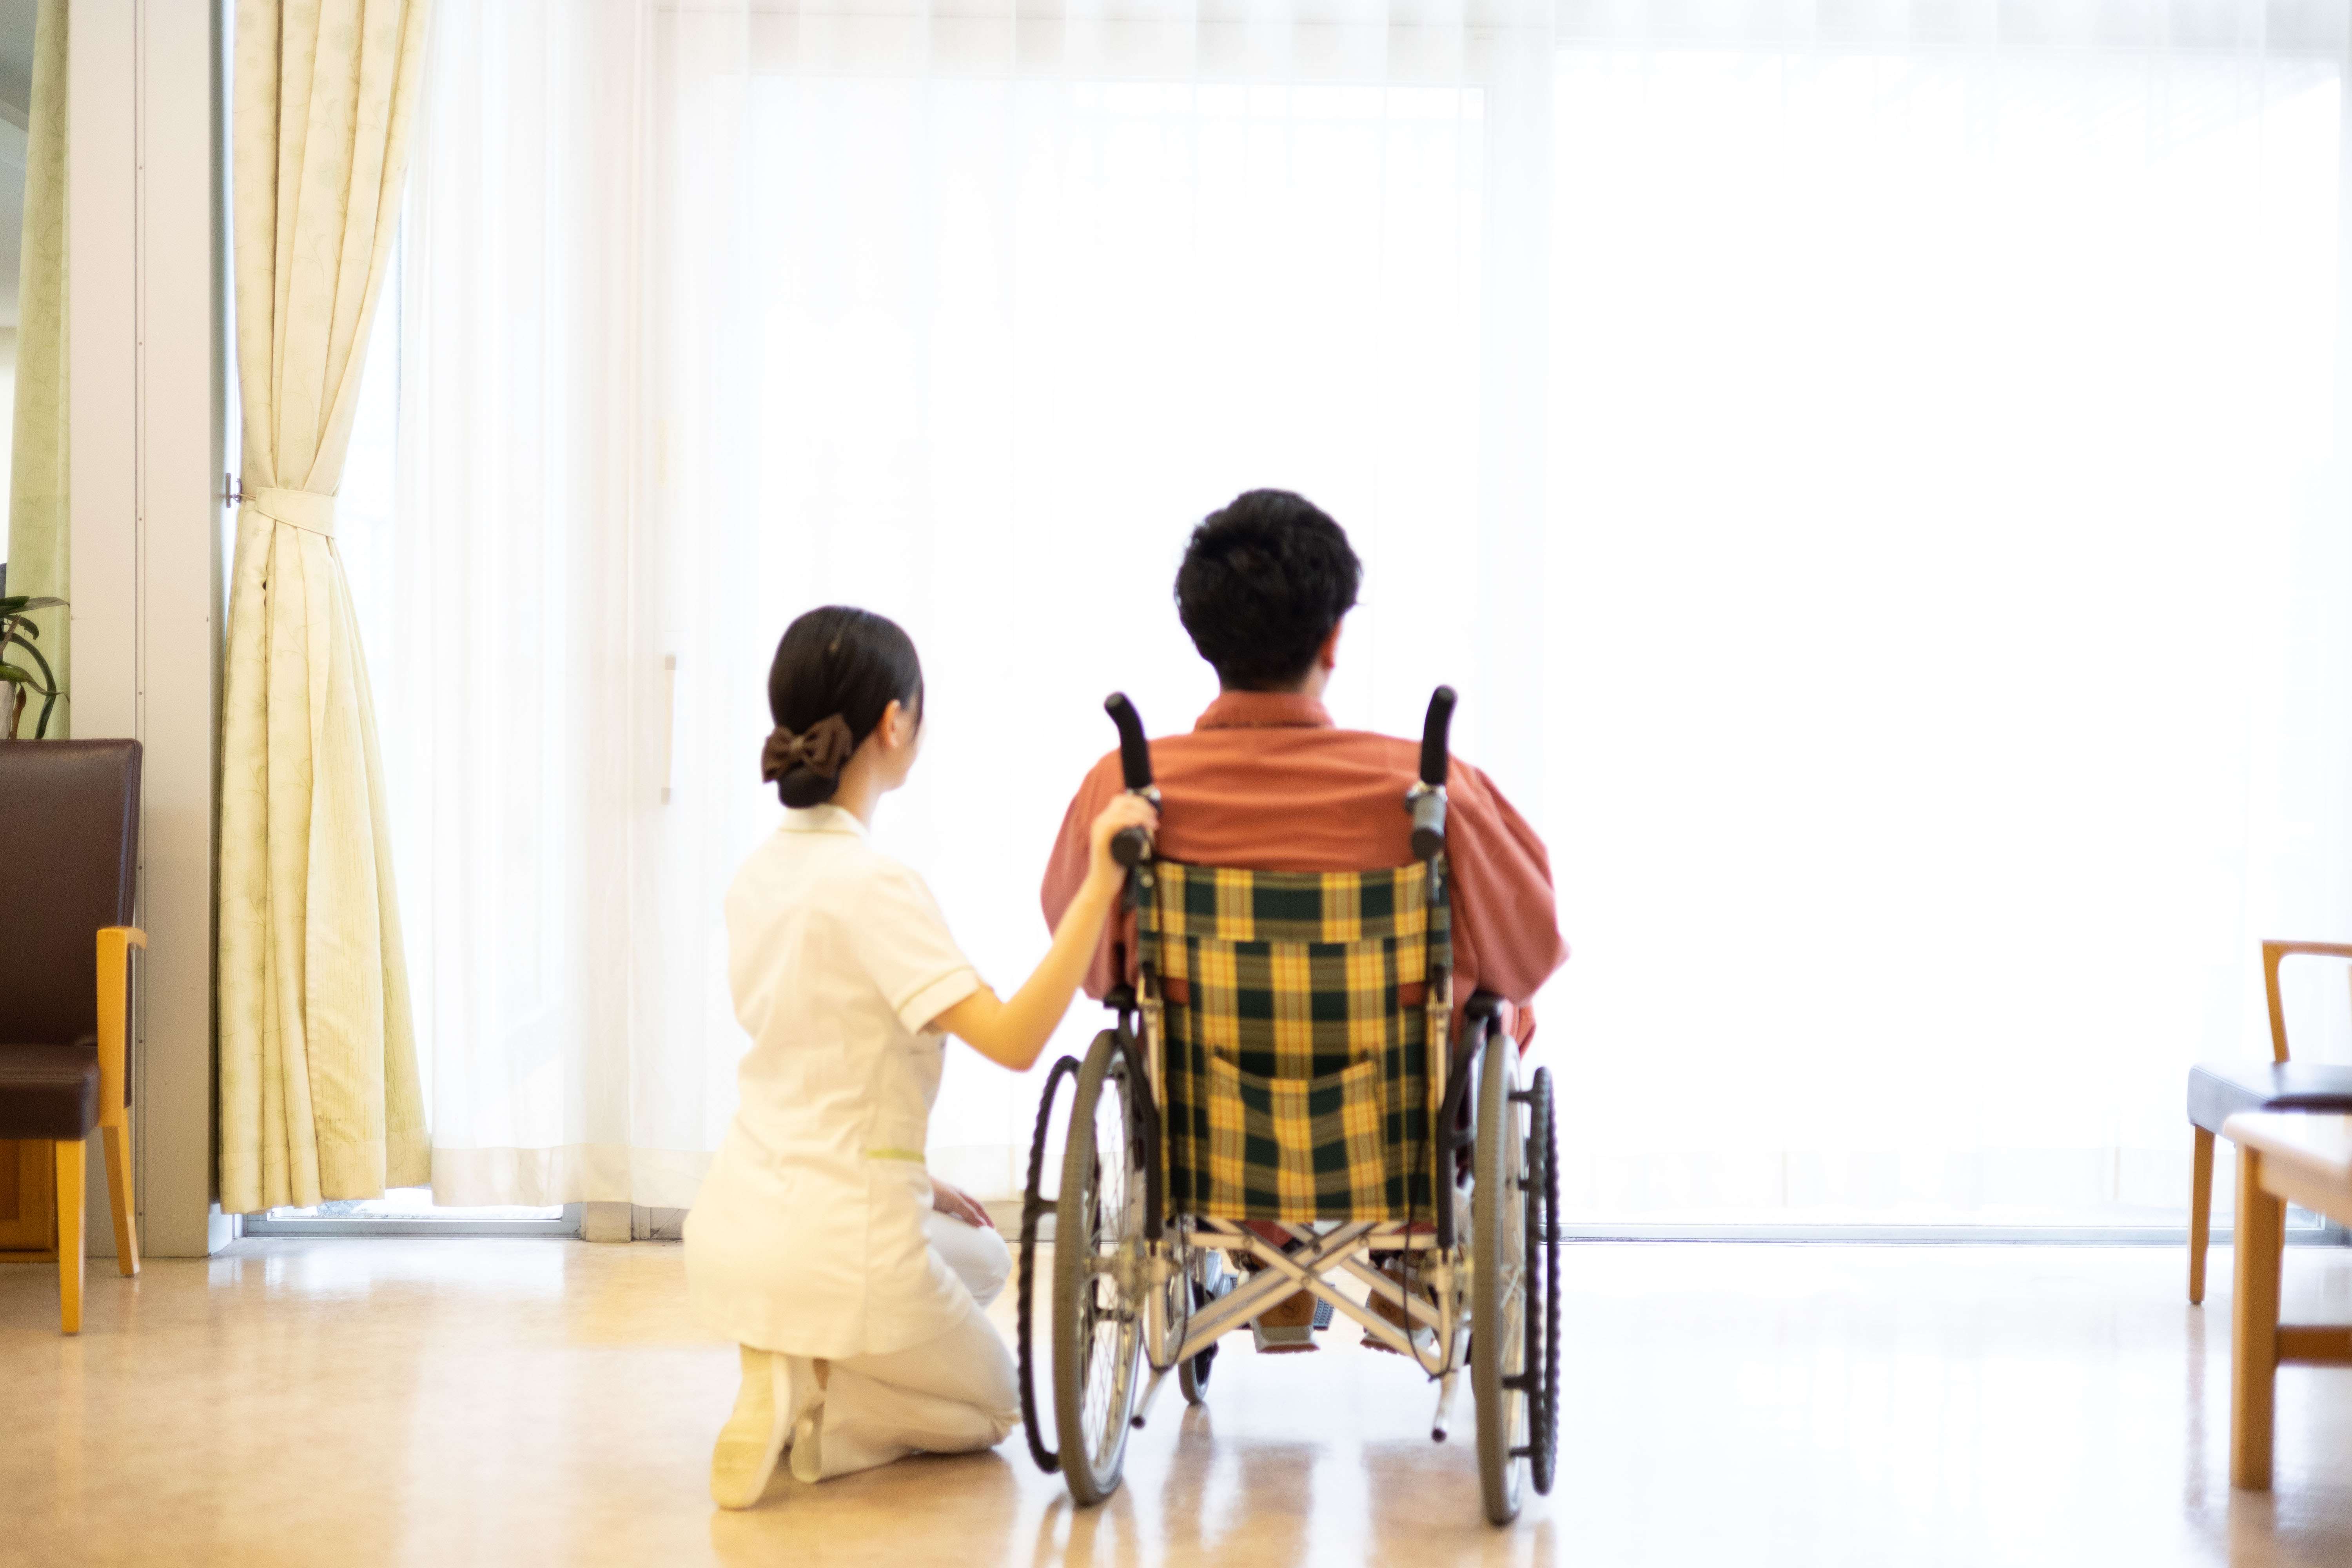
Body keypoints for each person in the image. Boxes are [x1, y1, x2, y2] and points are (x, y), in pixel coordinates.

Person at [686, 605, 1157, 1510]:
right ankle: (827, 1402)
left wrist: (916, 1175)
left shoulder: (757, 874)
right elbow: (1016, 1039)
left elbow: (814, 1054)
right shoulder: (876, 885)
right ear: (894, 724)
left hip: (739, 1220)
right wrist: (1102, 882)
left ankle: (796, 1355)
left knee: (982, 1256)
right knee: (995, 1408)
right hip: (839, 1244)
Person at [1041, 488, 1565, 1046]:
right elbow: (1530, 957)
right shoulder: (1434, 788)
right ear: (1333, 639)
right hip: (1406, 1092)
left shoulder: (1124, 791)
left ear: (1201, 635)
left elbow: (1088, 970)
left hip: (1189, 1091)